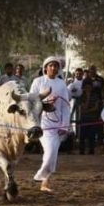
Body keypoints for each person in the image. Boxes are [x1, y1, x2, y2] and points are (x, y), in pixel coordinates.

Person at [30, 56, 70, 192]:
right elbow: (31, 102)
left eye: (56, 66)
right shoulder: (38, 82)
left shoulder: (61, 84)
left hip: (58, 123)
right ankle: (40, 176)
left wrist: (65, 125)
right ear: (45, 67)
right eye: (51, 65)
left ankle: (45, 182)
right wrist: (46, 102)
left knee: (52, 153)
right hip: (42, 123)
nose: (53, 68)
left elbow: (65, 106)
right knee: (50, 150)